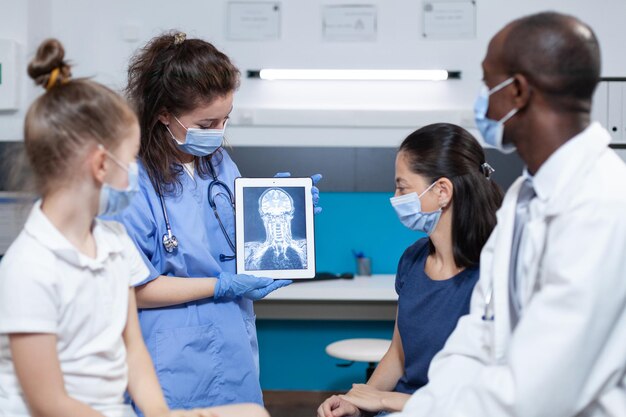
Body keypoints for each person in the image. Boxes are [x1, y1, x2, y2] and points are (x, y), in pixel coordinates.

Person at [0, 38, 268, 417]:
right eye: (129, 161)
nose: (135, 175)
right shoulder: (28, 268)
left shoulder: (110, 242)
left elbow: (130, 351)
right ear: (99, 165)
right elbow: (49, 400)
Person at [389, 12, 626, 417]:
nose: (482, 101)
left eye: (486, 84)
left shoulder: (602, 203)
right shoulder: (523, 196)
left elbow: (541, 389)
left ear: (517, 91)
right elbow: (480, 332)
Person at [112, 32, 320, 413]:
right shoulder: (131, 181)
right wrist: (221, 285)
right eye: (206, 124)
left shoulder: (220, 165)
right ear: (163, 115)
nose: (218, 134)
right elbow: (133, 288)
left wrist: (281, 210)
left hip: (233, 342)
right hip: (171, 354)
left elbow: (240, 243)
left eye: (225, 120)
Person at [317, 123, 503, 417]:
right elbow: (399, 355)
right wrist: (359, 403)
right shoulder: (413, 260)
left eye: (403, 186)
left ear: (442, 191)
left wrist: (385, 401)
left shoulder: (492, 275)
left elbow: (482, 395)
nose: (395, 196)